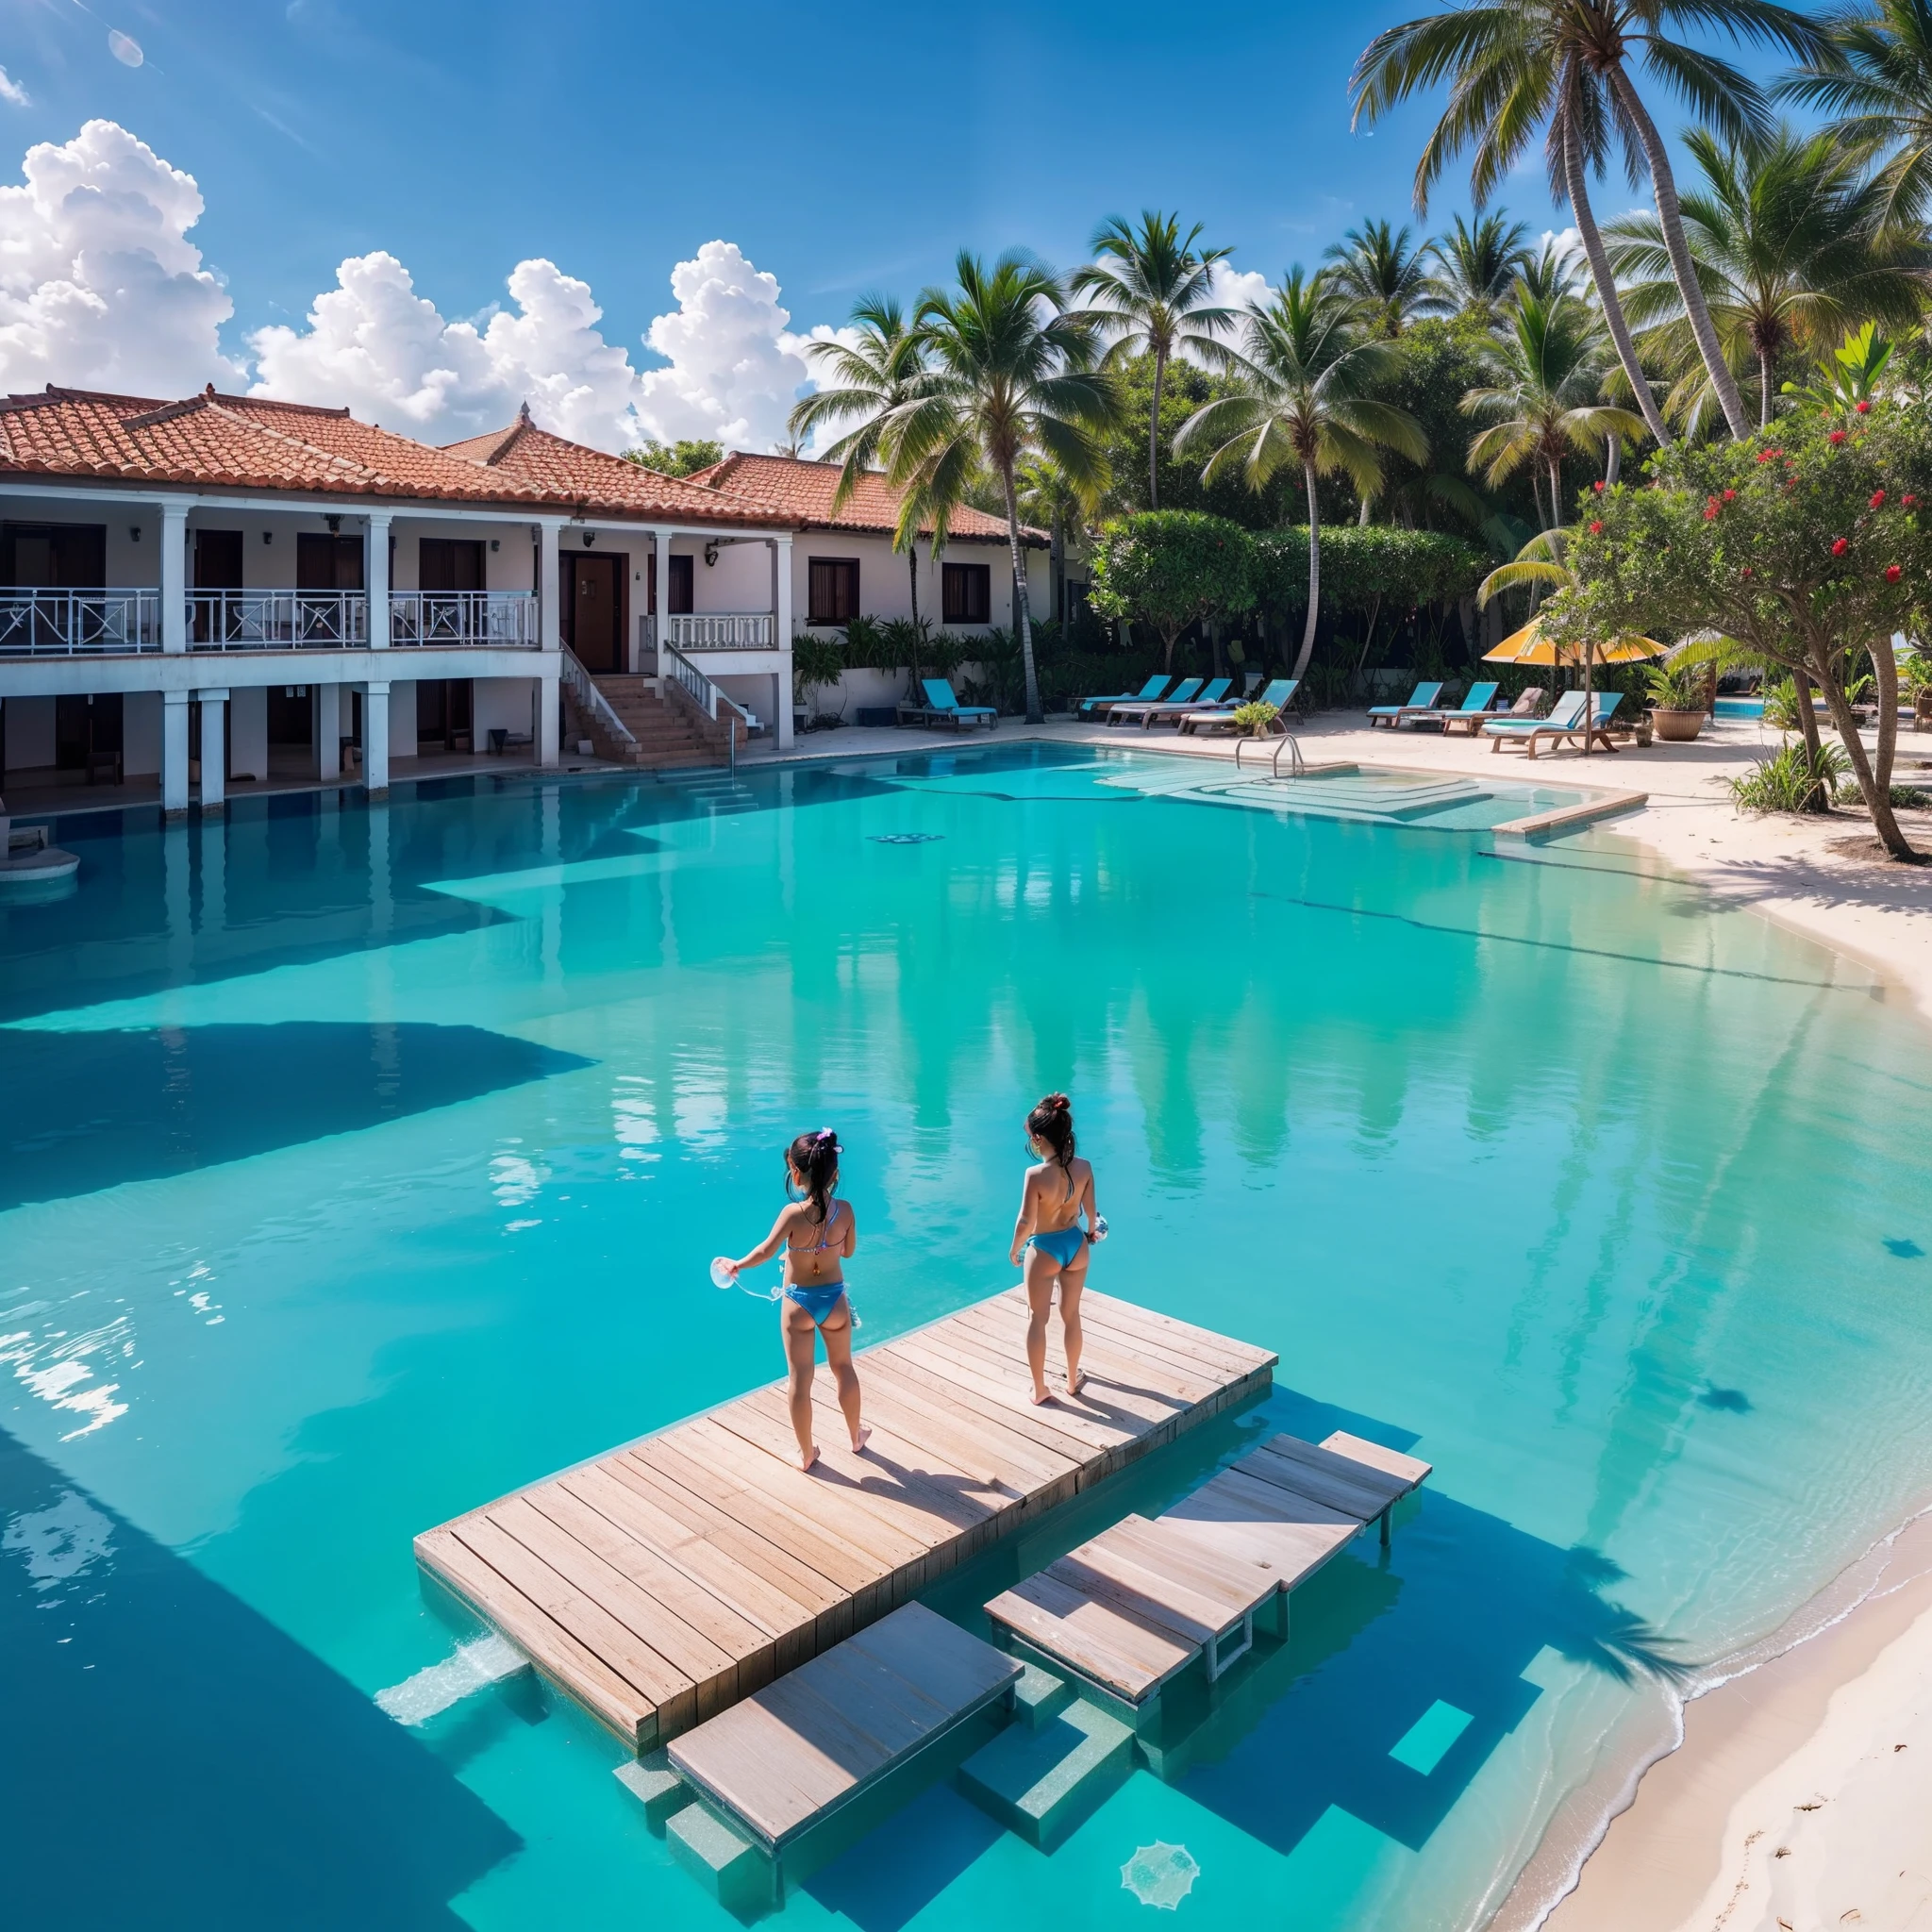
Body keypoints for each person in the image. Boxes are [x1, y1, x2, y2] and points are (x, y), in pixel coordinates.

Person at [719, 1128, 869, 1472]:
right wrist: (823, 1247)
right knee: (843, 1368)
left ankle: (806, 1453)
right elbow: (847, 1251)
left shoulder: (792, 1214)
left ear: (796, 1173)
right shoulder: (845, 1210)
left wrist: (737, 1264)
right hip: (833, 1300)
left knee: (800, 1380)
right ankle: (855, 1436)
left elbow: (766, 1252)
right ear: (835, 1173)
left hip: (797, 1302)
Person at [1008, 1091, 1099, 1404]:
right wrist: (1091, 1234)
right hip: (1076, 1244)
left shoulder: (1035, 1174)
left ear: (1037, 1139)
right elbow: (1091, 1212)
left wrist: (1015, 1248)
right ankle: (1073, 1381)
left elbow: (1025, 1222)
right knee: (1071, 1314)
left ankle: (1040, 1389)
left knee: (1038, 1318)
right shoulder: (1085, 1167)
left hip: (1045, 1248)